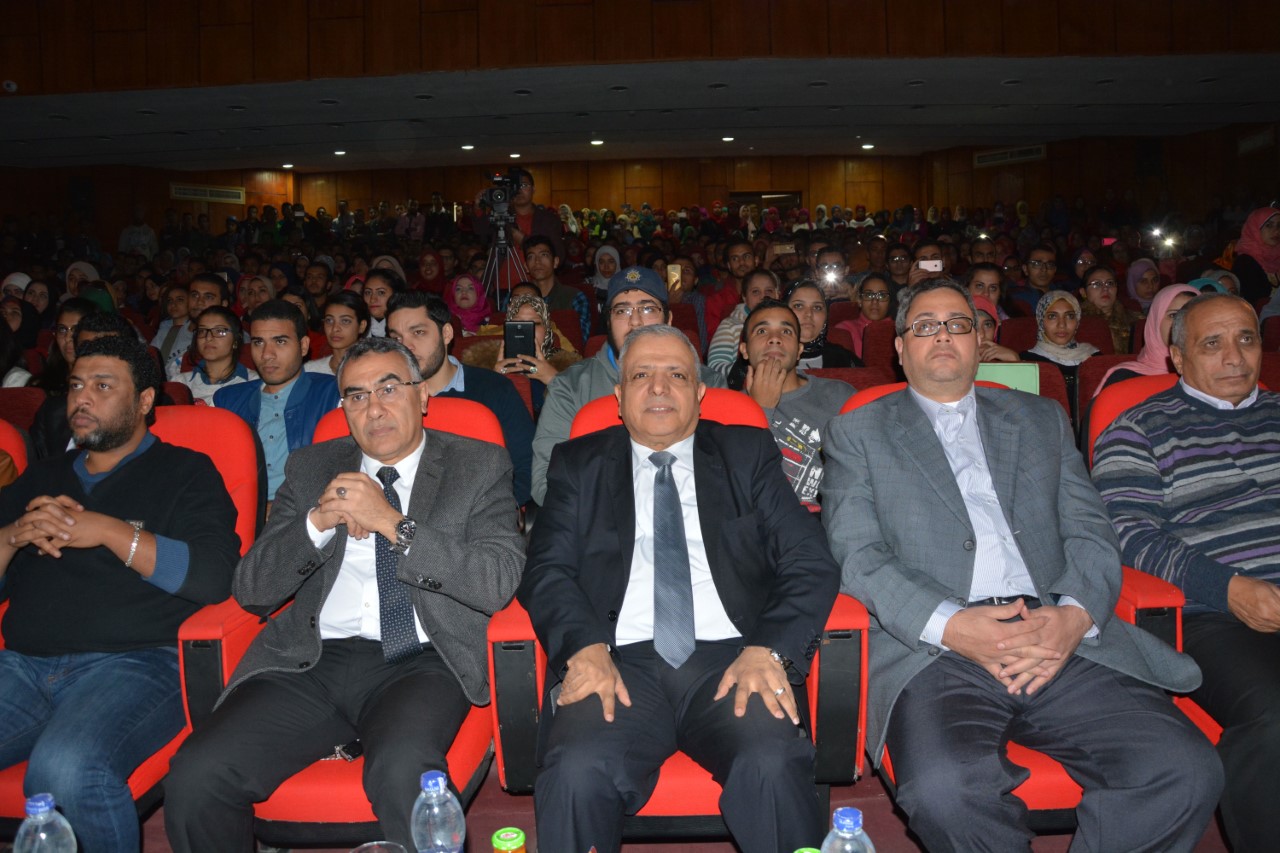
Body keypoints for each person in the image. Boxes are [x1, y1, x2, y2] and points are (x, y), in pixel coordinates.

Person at [822, 278, 1222, 852]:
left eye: (958, 324)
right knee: (946, 791)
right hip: (935, 649)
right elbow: (857, 554)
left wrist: (1074, 616)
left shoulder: (1039, 418)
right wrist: (952, 626)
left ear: (979, 342)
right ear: (901, 349)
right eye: (926, 326)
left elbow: (1092, 531)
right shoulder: (858, 430)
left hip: (1054, 632)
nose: (943, 336)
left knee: (1184, 769)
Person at [165, 336, 525, 852]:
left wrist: (393, 523)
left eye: (389, 389)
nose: (373, 408)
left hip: (423, 659)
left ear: (422, 395)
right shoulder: (311, 467)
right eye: (356, 395)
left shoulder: (478, 465)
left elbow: (497, 581)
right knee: (198, 772)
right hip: (312, 659)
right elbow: (252, 590)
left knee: (402, 771)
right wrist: (316, 523)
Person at [519, 324, 840, 853]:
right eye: (641, 375)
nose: (659, 388)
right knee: (575, 768)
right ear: (618, 395)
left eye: (676, 375)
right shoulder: (578, 463)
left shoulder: (746, 452)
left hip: (734, 658)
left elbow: (809, 560)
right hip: (617, 661)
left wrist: (770, 649)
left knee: (771, 760)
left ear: (700, 391)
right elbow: (546, 569)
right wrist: (582, 648)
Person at [0, 335, 239, 852]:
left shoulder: (187, 472)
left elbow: (213, 577)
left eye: (103, 386)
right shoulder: (42, 476)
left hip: (137, 663)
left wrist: (110, 532)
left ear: (145, 400)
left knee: (64, 768)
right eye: (75, 386)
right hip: (21, 664)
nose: (82, 398)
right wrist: (12, 536)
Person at [1092, 292, 1279, 852]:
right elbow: (1129, 537)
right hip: (1215, 614)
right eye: (1212, 343)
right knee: (1273, 719)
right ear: (1177, 356)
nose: (1235, 357)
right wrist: (1228, 588)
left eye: (1246, 339)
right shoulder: (1138, 428)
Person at [529, 267, 726, 505]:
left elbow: (729, 472)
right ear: (608, 322)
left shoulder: (707, 382)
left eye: (647, 308)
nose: (635, 321)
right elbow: (546, 483)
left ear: (669, 319)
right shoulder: (571, 387)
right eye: (622, 311)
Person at [386, 291, 534, 508]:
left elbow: (526, 467)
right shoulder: (385, 399)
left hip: (482, 514)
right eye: (396, 339)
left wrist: (497, 513)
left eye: (418, 333)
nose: (406, 347)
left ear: (446, 334)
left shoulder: (493, 389)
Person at [214, 300, 338, 501]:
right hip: (239, 509)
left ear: (303, 346)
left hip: (304, 510)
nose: (267, 355)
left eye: (280, 342)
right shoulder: (228, 401)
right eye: (258, 342)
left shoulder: (331, 394)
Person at [739, 299, 853, 508]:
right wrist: (760, 410)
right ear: (744, 350)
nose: (775, 339)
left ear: (800, 350)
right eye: (762, 331)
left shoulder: (840, 396)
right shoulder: (726, 410)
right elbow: (737, 488)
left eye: (786, 332)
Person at [1094, 283, 1199, 394]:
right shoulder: (1125, 379)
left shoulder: (1209, 373)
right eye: (1173, 315)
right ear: (1155, 321)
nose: (1183, 323)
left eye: (1192, 316)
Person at [1019, 290, 1098, 424]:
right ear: (1041, 320)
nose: (1062, 324)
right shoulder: (1027, 361)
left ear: (1077, 320)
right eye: (1052, 316)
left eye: (1070, 316)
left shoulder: (1094, 357)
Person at [706, 268, 781, 376]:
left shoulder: (788, 326)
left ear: (777, 295)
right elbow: (714, 368)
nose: (763, 296)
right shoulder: (731, 326)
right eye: (755, 292)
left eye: (768, 291)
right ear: (745, 297)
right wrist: (753, 370)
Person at [177, 306, 257, 404]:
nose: (208, 338)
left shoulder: (253, 383)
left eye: (219, 331)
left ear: (236, 340)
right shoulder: (181, 383)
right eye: (202, 331)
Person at [523, 235, 591, 345]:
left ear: (555, 262)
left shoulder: (575, 297)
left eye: (544, 255)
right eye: (531, 257)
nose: (537, 261)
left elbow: (578, 341)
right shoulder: (516, 297)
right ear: (526, 266)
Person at [305, 290, 369, 376]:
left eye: (345, 321)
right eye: (329, 320)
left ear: (362, 326)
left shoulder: (374, 370)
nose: (335, 328)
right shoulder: (310, 371)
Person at [1079, 264, 1139, 353]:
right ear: (1083, 292)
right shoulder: (1075, 323)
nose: (1105, 289)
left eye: (1110, 283)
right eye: (1097, 284)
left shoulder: (1134, 320)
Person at [833, 273, 893, 361]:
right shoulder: (845, 330)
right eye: (868, 295)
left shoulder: (897, 331)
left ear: (889, 302)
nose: (875, 301)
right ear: (859, 300)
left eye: (882, 296)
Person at [1231, 206, 1279, 305]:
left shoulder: (1277, 255)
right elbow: (1253, 301)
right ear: (1254, 229)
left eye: (1279, 225)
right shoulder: (1245, 262)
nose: (1276, 231)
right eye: (1269, 225)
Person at [362, 267, 404, 337]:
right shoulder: (357, 327)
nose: (372, 299)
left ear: (395, 295)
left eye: (381, 292)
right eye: (368, 292)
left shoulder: (406, 327)